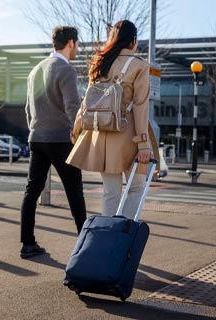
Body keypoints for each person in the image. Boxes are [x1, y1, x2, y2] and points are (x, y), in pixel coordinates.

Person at [67, 20, 159, 218]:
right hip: (128, 135)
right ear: (133, 41)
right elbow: (141, 106)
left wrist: (77, 130)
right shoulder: (139, 66)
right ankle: (122, 234)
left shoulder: (99, 63)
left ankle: (109, 240)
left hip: (100, 135)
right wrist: (143, 144)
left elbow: (87, 102)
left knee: (110, 193)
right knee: (136, 187)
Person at [20, 26, 87, 259]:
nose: (78, 48)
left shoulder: (35, 71)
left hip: (37, 138)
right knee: (74, 192)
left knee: (32, 190)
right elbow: (72, 107)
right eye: (78, 44)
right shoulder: (65, 70)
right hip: (61, 139)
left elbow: (28, 109)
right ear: (70, 43)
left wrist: (35, 130)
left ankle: (27, 243)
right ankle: (86, 246)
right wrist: (79, 133)